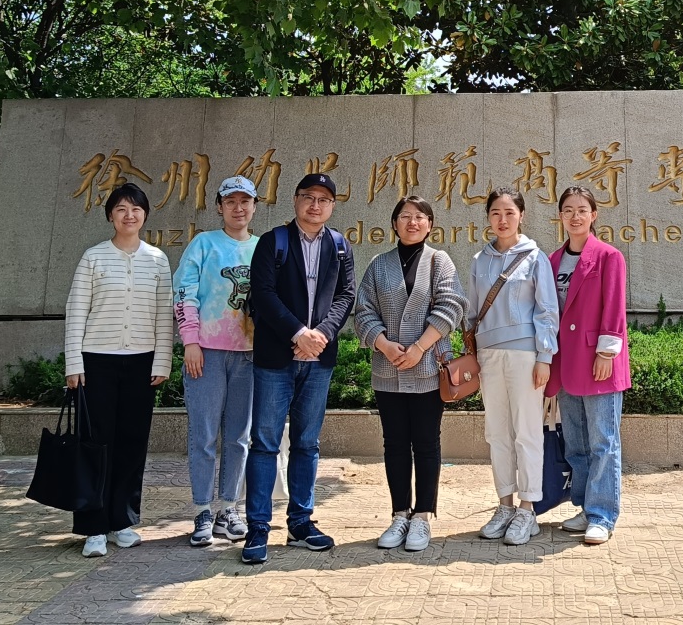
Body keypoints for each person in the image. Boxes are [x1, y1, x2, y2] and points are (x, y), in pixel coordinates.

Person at [240, 173, 356, 563]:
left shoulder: (339, 245)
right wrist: (298, 333)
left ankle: (301, 523)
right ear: (295, 200)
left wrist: (321, 334)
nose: (315, 205)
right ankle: (258, 528)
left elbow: (346, 295)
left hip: (319, 360)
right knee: (265, 444)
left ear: (332, 206)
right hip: (276, 358)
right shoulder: (273, 241)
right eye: (308, 197)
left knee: (307, 444)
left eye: (324, 199)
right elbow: (263, 294)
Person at [63, 182, 174, 558]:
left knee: (131, 444)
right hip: (96, 362)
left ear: (145, 215)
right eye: (122, 209)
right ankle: (93, 528)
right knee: (95, 444)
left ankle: (122, 521)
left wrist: (162, 361)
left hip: (142, 363)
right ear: (110, 215)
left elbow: (164, 315)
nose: (130, 215)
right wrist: (74, 363)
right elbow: (76, 311)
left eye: (136, 209)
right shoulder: (93, 257)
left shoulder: (157, 260)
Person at [353, 195, 467, 552]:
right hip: (387, 369)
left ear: (430, 224)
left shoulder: (439, 261)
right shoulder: (378, 264)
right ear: (394, 223)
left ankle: (422, 516)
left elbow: (452, 306)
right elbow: (363, 311)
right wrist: (384, 345)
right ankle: (399, 514)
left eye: (420, 217)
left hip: (428, 369)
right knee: (395, 443)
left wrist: (419, 347)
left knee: (427, 442)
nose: (412, 222)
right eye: (405, 216)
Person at [465, 186, 559, 546]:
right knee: (497, 432)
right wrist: (472, 351)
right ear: (488, 217)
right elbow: (471, 311)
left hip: (525, 356)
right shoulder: (479, 260)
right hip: (489, 355)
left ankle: (527, 509)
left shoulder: (535, 258)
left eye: (509, 213)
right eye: (495, 213)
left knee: (527, 432)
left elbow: (547, 311)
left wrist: (544, 357)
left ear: (521, 216)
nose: (502, 220)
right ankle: (504, 505)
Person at [173, 175, 260, 547]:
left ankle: (229, 508)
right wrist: (190, 341)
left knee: (239, 437)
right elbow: (184, 292)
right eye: (231, 202)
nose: (238, 208)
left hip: (250, 355)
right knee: (204, 436)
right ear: (220, 207)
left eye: (245, 201)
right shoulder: (203, 244)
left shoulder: (263, 247)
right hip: (205, 353)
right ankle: (202, 511)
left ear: (254, 206)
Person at [546, 185, 630, 545]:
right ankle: (584, 506)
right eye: (568, 210)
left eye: (582, 210)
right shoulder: (553, 260)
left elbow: (614, 307)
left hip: (598, 362)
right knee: (576, 443)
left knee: (603, 442)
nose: (575, 216)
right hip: (566, 362)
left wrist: (606, 353)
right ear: (560, 216)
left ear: (593, 215)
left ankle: (603, 515)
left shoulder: (609, 256)